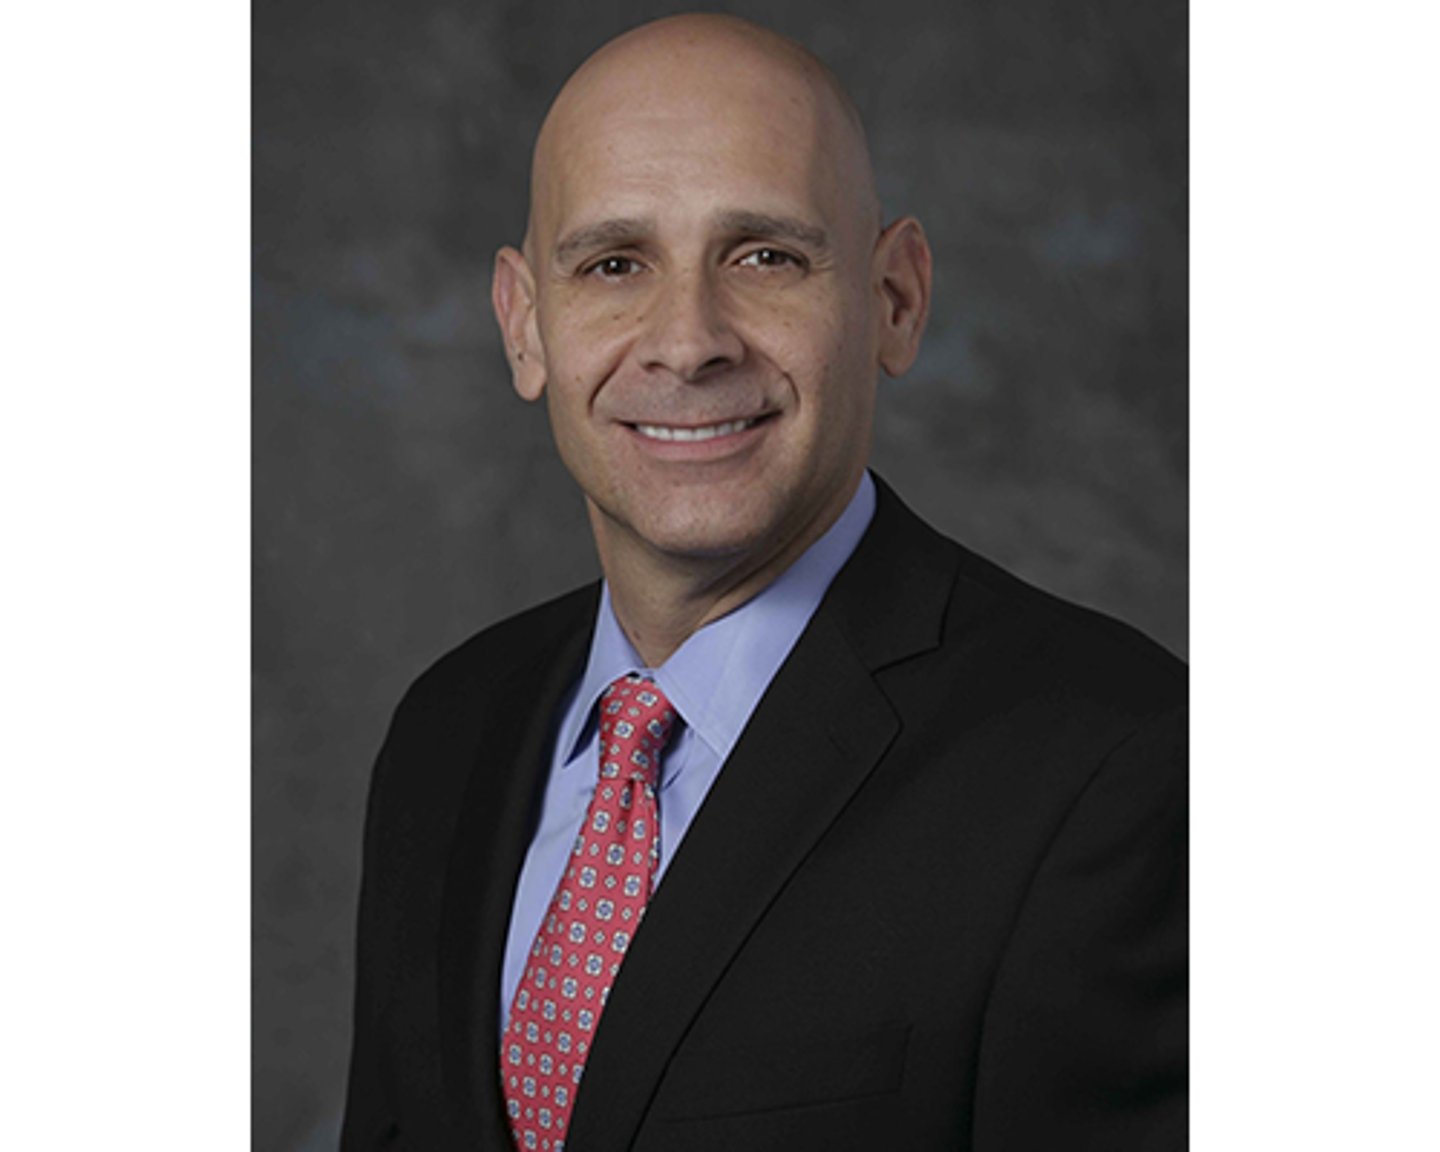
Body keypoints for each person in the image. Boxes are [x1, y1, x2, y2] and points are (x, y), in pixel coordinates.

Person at [340, 13, 1186, 1152]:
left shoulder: (1121, 769)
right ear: (525, 324)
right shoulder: (447, 733)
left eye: (765, 257)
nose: (686, 342)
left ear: (894, 299)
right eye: (614, 263)